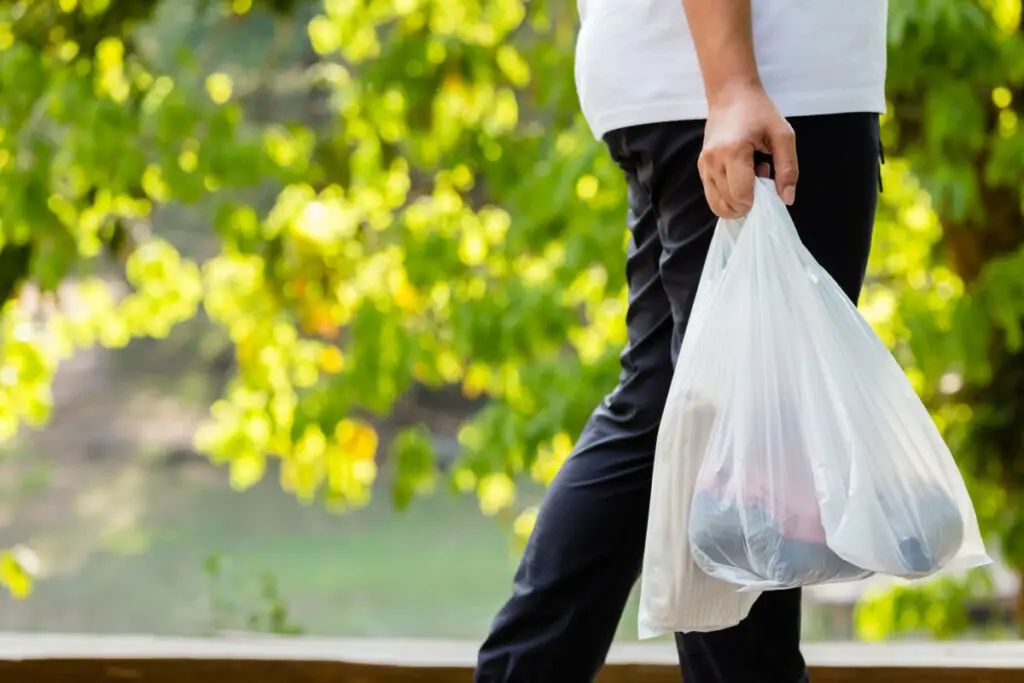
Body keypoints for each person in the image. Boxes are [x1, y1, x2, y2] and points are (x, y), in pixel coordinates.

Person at [475, 1, 888, 681]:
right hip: (763, 88)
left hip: (712, 84)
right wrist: (731, 85)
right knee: (743, 438)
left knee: (671, 414)